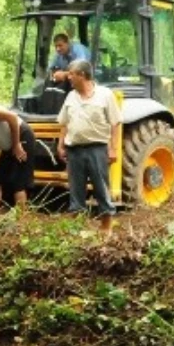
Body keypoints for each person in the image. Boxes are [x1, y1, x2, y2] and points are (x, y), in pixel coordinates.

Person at [56, 60, 121, 234]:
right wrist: (61, 144)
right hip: (74, 149)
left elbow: (115, 123)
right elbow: (64, 122)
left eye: (71, 74)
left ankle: (106, 227)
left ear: (82, 75)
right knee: (76, 190)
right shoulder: (71, 96)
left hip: (97, 149)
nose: (68, 77)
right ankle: (77, 229)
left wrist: (113, 148)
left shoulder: (105, 95)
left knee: (101, 188)